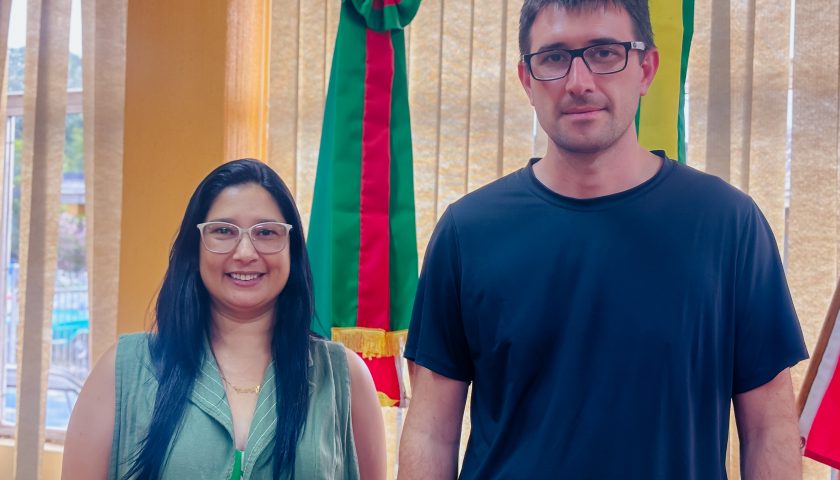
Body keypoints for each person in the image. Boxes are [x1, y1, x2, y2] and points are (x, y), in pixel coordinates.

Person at [398, 1, 808, 479]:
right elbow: (431, 432)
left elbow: (769, 429)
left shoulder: (729, 225)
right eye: (554, 57)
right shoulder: (466, 232)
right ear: (527, 80)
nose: (579, 82)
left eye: (605, 53)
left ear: (646, 69)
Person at [63, 159, 386, 479]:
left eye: (266, 232)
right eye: (223, 231)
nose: (245, 253)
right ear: (195, 248)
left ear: (292, 250)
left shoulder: (345, 376)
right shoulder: (123, 370)